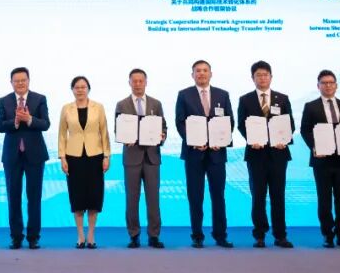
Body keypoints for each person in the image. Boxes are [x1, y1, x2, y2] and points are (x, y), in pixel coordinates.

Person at [175, 60, 233, 248]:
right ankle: (197, 235)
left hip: (217, 154)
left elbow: (229, 121)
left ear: (211, 73)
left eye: (205, 70)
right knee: (195, 196)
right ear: (192, 75)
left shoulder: (223, 94)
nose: (201, 73)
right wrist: (193, 140)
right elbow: (180, 122)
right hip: (194, 154)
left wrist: (221, 141)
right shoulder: (184, 95)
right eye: (198, 71)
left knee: (218, 195)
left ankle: (220, 235)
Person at [236, 61, 294, 248]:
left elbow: (290, 124)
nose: (262, 78)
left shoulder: (282, 98)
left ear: (271, 77)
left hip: (278, 153)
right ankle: (259, 235)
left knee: (278, 195)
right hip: (256, 154)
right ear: (252, 78)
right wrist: (251, 139)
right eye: (258, 75)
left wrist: (284, 139)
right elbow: (241, 124)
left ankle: (280, 235)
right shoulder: (245, 100)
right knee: (258, 195)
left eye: (265, 74)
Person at [300, 69, 340, 248]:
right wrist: (315, 147)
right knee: (324, 199)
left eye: (331, 82)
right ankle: (328, 235)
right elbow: (305, 130)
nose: (328, 86)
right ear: (318, 86)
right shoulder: (311, 106)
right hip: (322, 160)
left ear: (336, 85)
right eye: (324, 83)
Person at [0, 67, 50, 249]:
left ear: (28, 81)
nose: (20, 83)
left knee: (34, 197)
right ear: (11, 82)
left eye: (23, 80)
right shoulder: (4, 100)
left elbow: (46, 124)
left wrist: (29, 119)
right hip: (12, 156)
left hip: (35, 155)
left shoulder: (39, 99)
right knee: (13, 197)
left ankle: (33, 237)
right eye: (16, 81)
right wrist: (15, 122)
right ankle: (16, 237)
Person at [115, 68, 166, 249]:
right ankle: (134, 235)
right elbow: (118, 129)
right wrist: (123, 137)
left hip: (152, 157)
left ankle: (154, 236)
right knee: (132, 198)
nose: (137, 84)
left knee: (153, 198)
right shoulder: (122, 104)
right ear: (129, 83)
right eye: (134, 81)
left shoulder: (156, 104)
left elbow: (163, 127)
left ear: (146, 82)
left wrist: (162, 136)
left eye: (140, 81)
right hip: (132, 157)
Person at [58, 75, 110, 249]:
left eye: (83, 87)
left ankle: (91, 235)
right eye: (77, 87)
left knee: (94, 197)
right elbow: (62, 134)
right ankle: (80, 236)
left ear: (88, 89)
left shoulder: (98, 107)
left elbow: (104, 132)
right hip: (73, 157)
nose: (80, 90)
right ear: (72, 89)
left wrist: (107, 156)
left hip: (95, 156)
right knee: (77, 196)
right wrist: (63, 157)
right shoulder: (66, 109)